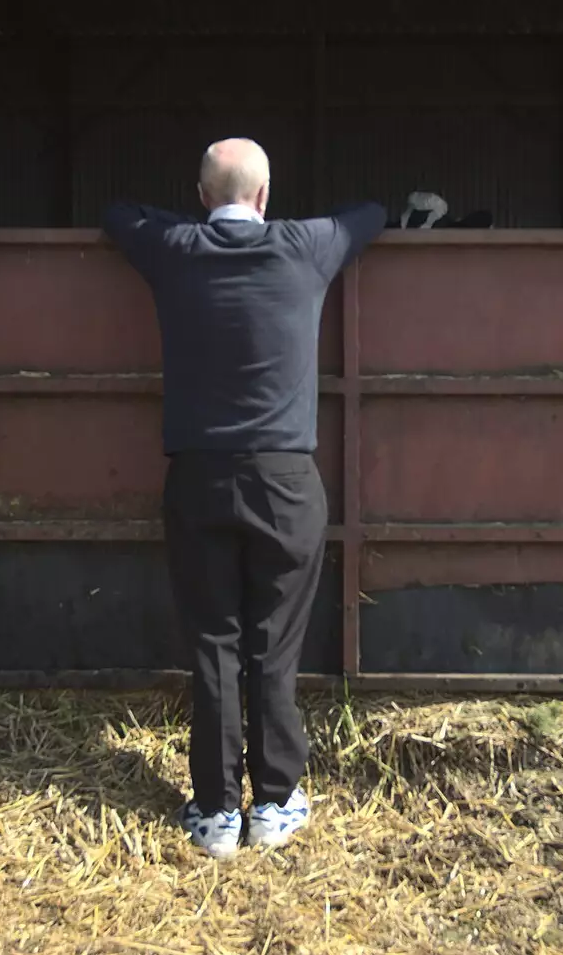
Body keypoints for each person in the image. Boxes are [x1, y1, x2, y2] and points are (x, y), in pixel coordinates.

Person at [103, 139, 385, 858]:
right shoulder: (307, 245)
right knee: (274, 644)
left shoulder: (174, 247)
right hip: (285, 478)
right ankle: (275, 802)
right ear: (265, 197)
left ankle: (214, 811)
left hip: (198, 474)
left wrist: (191, 221)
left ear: (202, 197)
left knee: (214, 642)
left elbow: (117, 212)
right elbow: (371, 213)